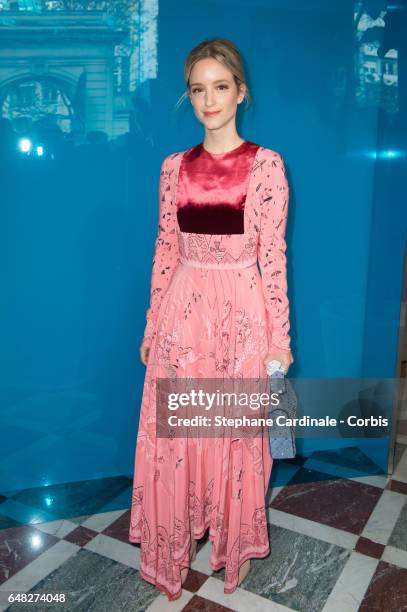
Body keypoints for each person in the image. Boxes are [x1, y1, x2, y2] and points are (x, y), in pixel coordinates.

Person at [128, 38, 294, 601]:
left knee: (234, 436)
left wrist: (280, 340)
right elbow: (165, 252)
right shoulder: (173, 168)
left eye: (220, 86)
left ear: (240, 92)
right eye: (198, 89)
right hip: (183, 313)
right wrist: (151, 328)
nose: (209, 99)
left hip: (242, 318)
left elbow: (273, 258)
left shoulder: (266, 165)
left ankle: (232, 545)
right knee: (177, 435)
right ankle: (174, 545)